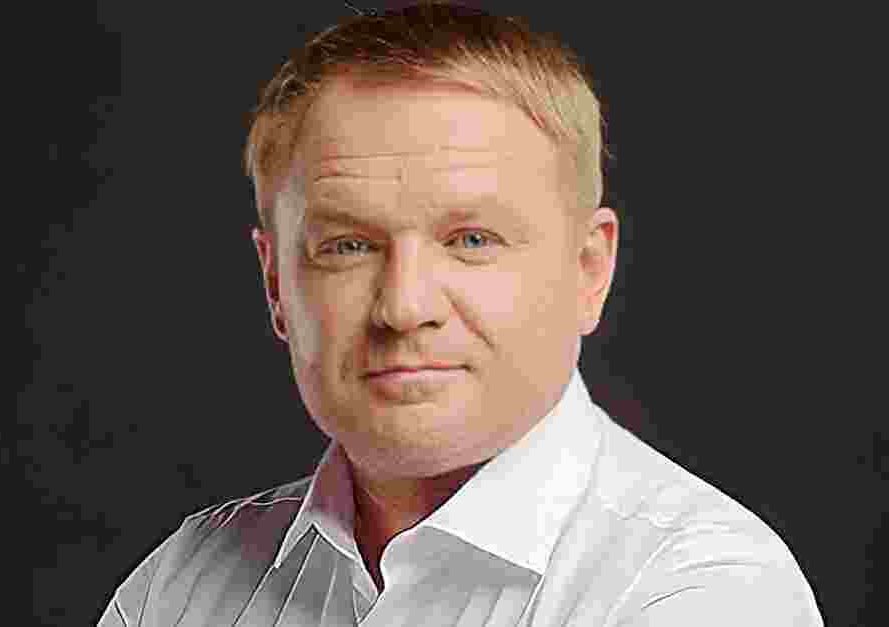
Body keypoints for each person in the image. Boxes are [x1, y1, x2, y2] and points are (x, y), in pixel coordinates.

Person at [98, 2, 824, 625]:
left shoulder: (703, 589)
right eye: (348, 245)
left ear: (589, 270)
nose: (404, 306)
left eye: (472, 239)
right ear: (274, 285)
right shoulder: (180, 589)